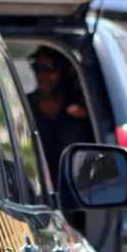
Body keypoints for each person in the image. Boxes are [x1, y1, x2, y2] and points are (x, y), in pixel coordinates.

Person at [27, 47, 94, 185]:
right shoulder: (25, 106)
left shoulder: (86, 109)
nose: (42, 75)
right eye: (37, 67)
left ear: (65, 71)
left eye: (49, 68)